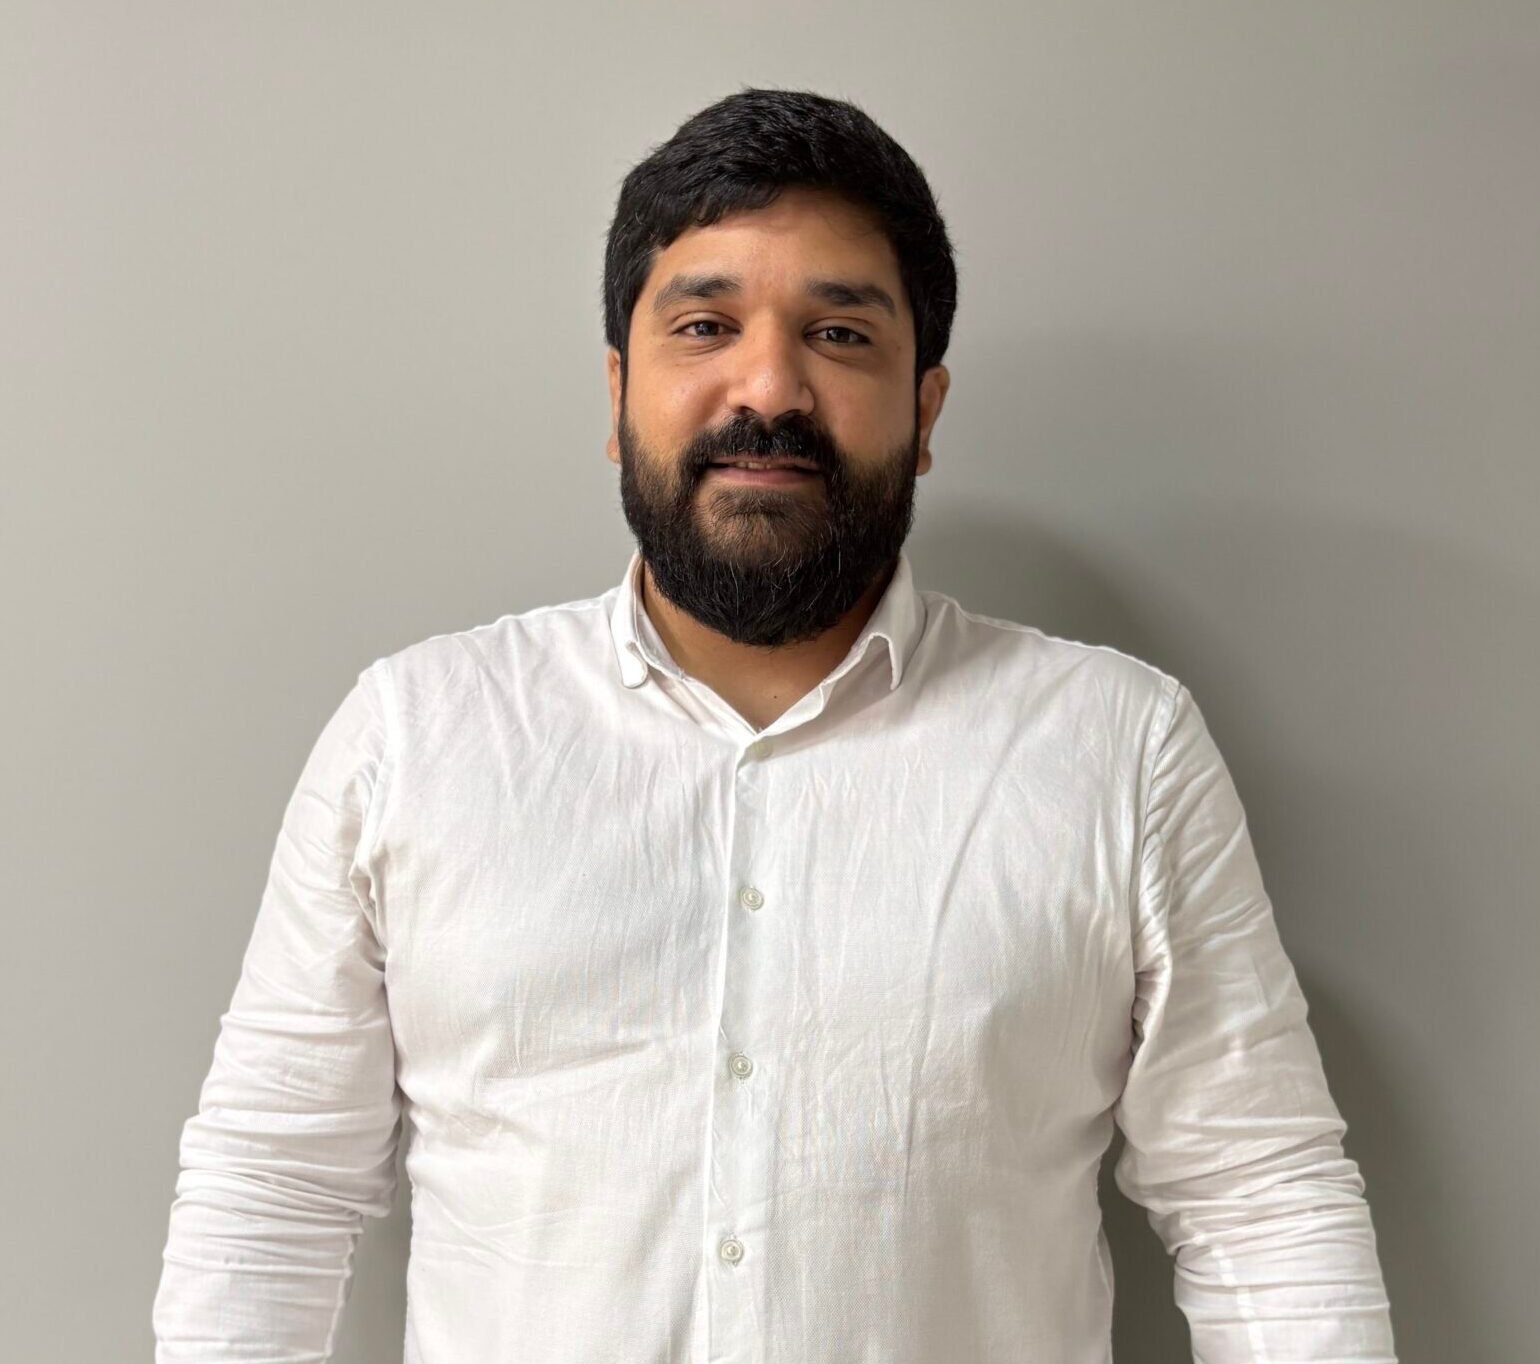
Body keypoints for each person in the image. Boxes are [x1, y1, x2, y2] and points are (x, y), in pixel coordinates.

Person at [152, 86, 1398, 1362]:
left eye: (839, 334)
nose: (769, 387)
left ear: (925, 409)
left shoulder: (1118, 749)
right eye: (704, 325)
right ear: (617, 390)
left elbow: (1258, 1199)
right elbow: (272, 1192)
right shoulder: (413, 737)